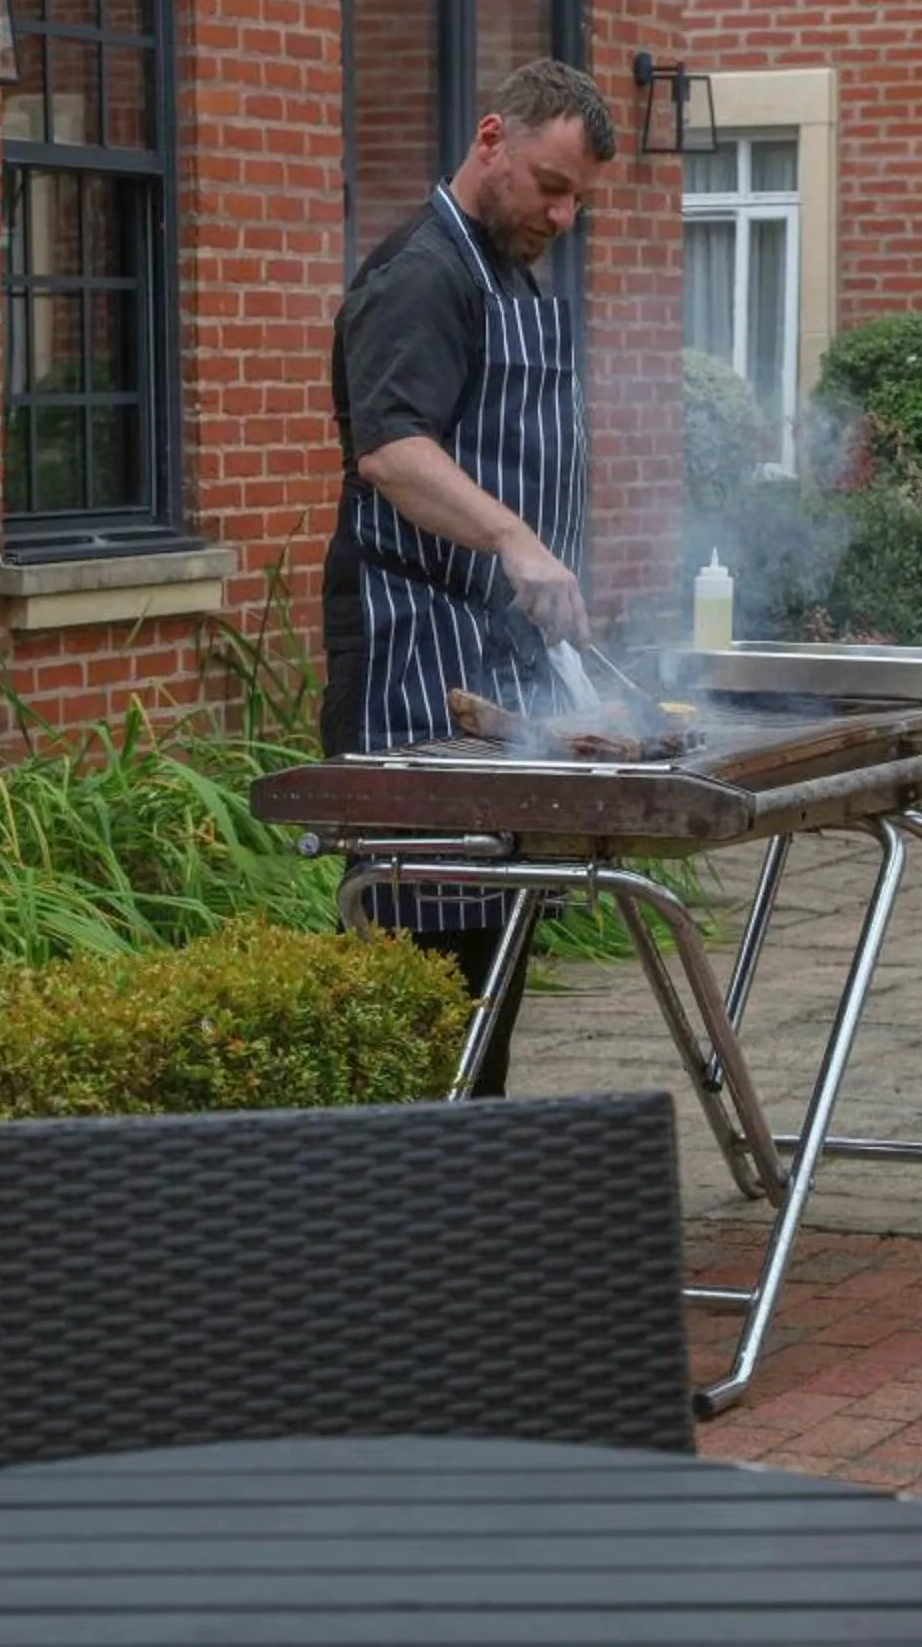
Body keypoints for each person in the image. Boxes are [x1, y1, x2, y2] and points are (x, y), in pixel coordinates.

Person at [323, 58, 619, 1096]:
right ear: (491, 137)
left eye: (579, 195)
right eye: (551, 183)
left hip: (503, 665)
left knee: (495, 954)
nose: (564, 213)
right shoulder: (421, 275)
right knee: (429, 973)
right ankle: (414, 1209)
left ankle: (473, 1194)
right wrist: (515, 540)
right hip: (416, 657)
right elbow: (393, 452)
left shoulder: (509, 273)